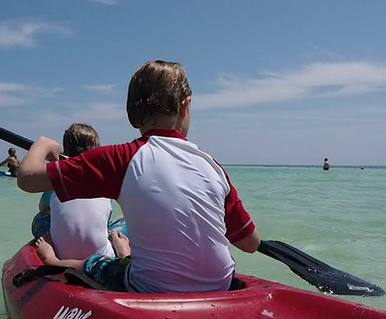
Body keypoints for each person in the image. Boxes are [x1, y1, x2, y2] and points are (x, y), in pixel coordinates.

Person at [17, 60, 261, 293]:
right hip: (220, 285)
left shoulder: (120, 159)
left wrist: (43, 145)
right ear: (185, 106)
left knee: (95, 263)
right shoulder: (212, 167)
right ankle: (126, 256)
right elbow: (250, 244)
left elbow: (27, 178)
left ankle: (56, 261)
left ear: (131, 113)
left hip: (149, 287)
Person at [31, 124, 115, 259]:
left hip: (60, 255)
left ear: (66, 150)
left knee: (40, 218)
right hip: (102, 255)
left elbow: (42, 207)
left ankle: (50, 245)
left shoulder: (57, 178)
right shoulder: (103, 178)